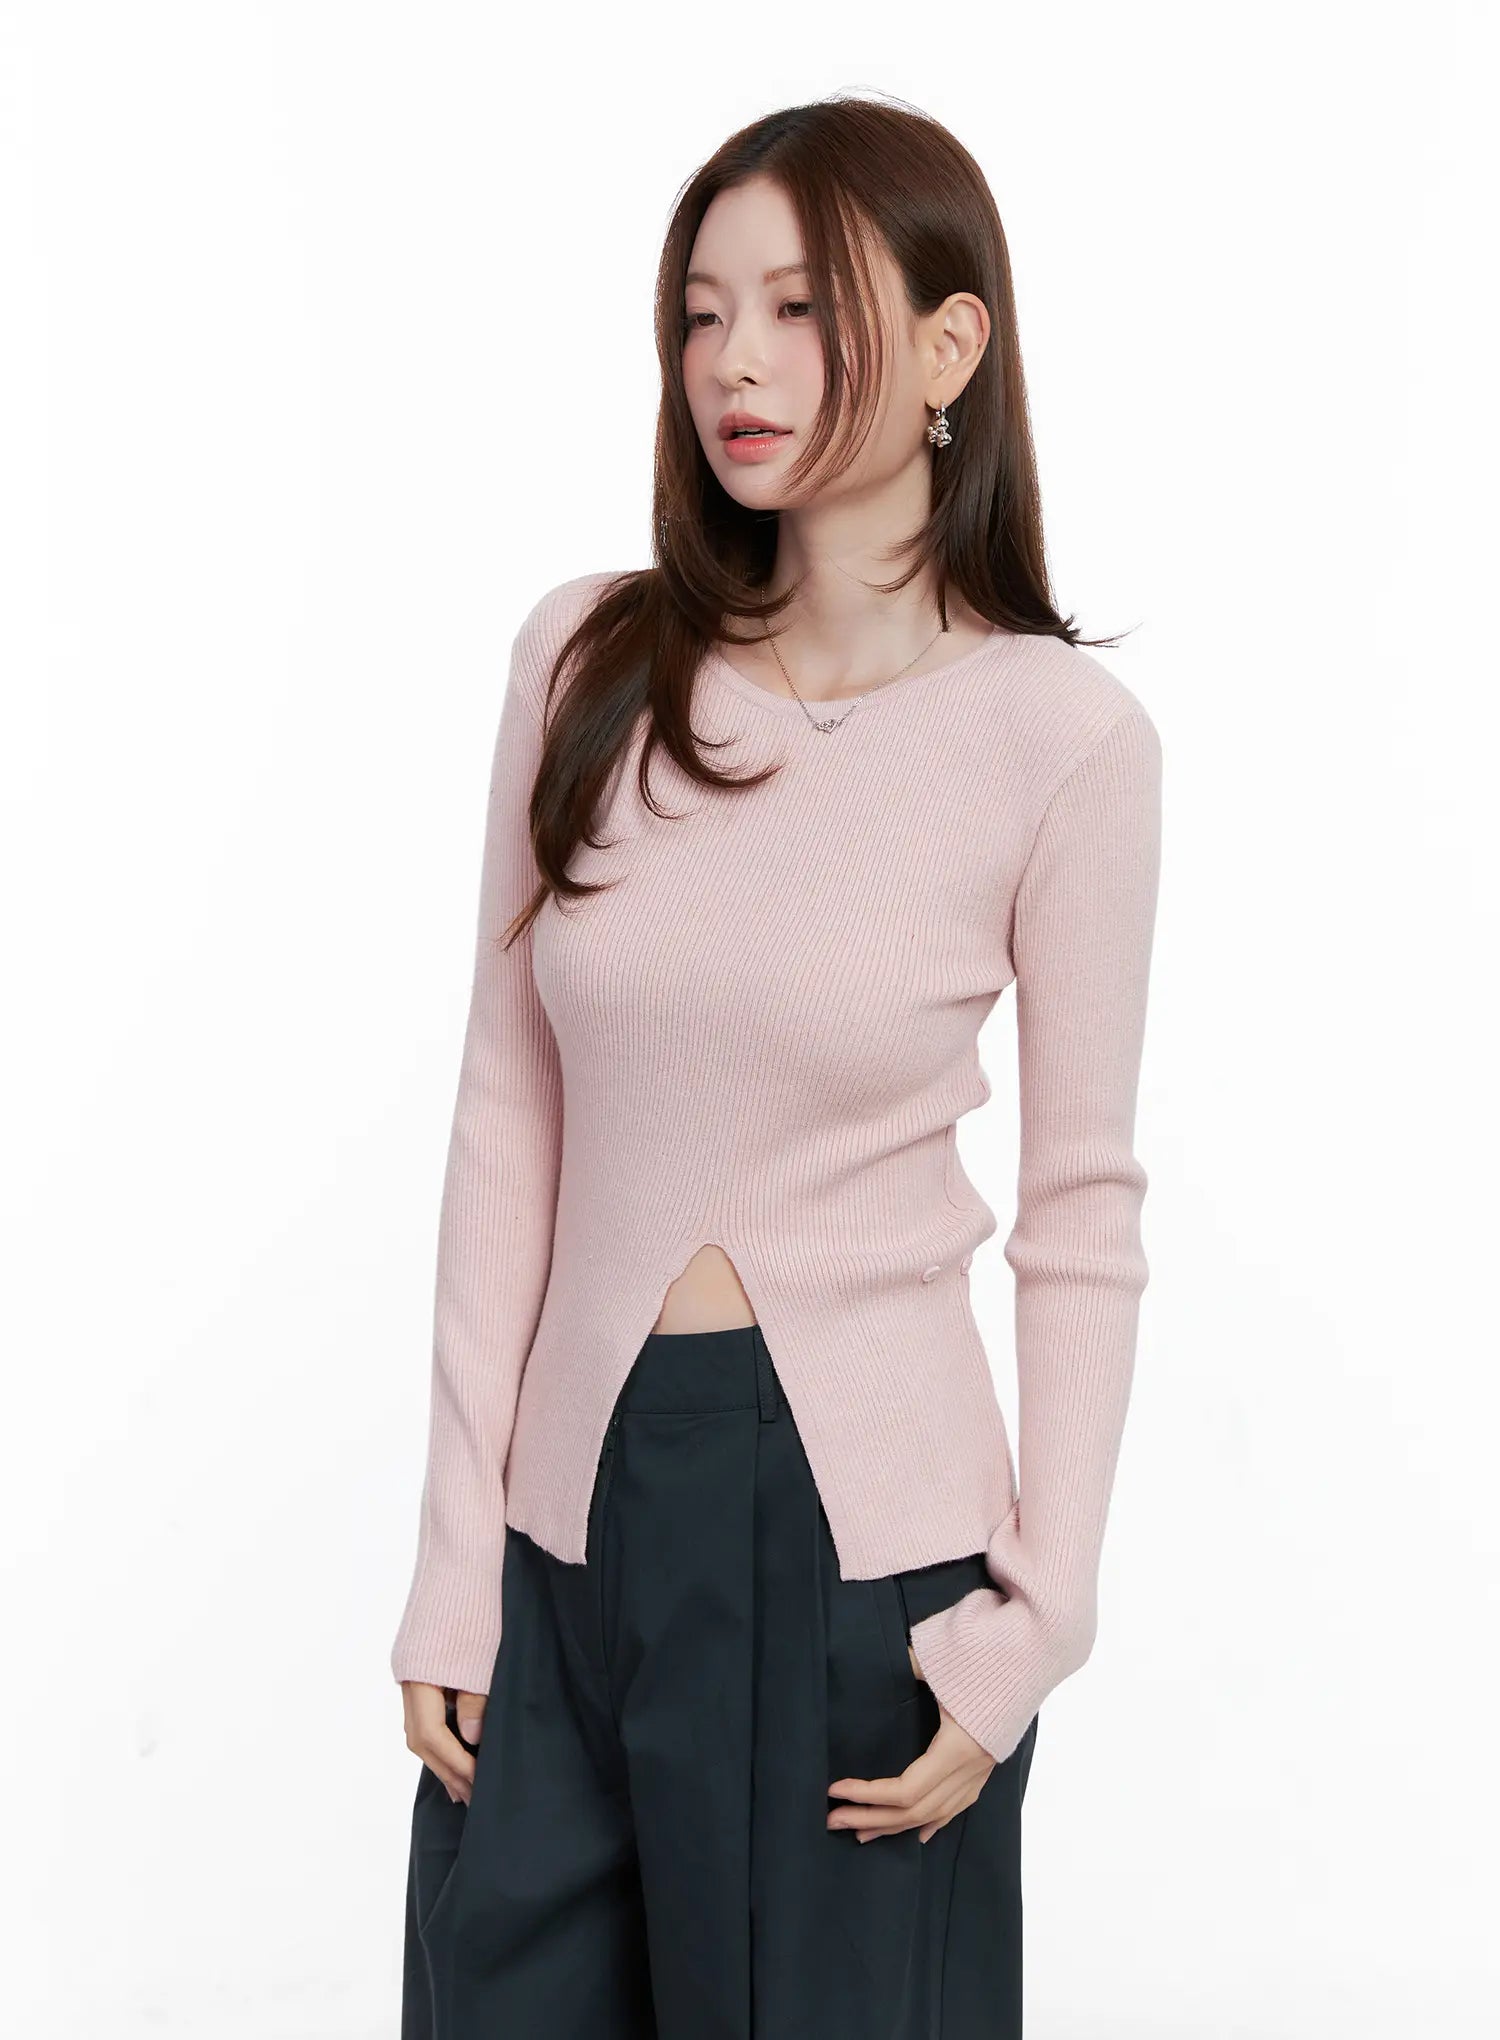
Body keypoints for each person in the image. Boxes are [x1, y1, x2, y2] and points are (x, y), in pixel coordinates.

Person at [392, 93, 1162, 2040]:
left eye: (802, 307)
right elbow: (506, 1116)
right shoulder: (586, 663)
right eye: (702, 311)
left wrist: (1036, 1622)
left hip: (859, 1567)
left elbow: (1081, 1214)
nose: (735, 360)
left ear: (952, 349)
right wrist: (456, 1560)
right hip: (564, 1533)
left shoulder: (1060, 741)